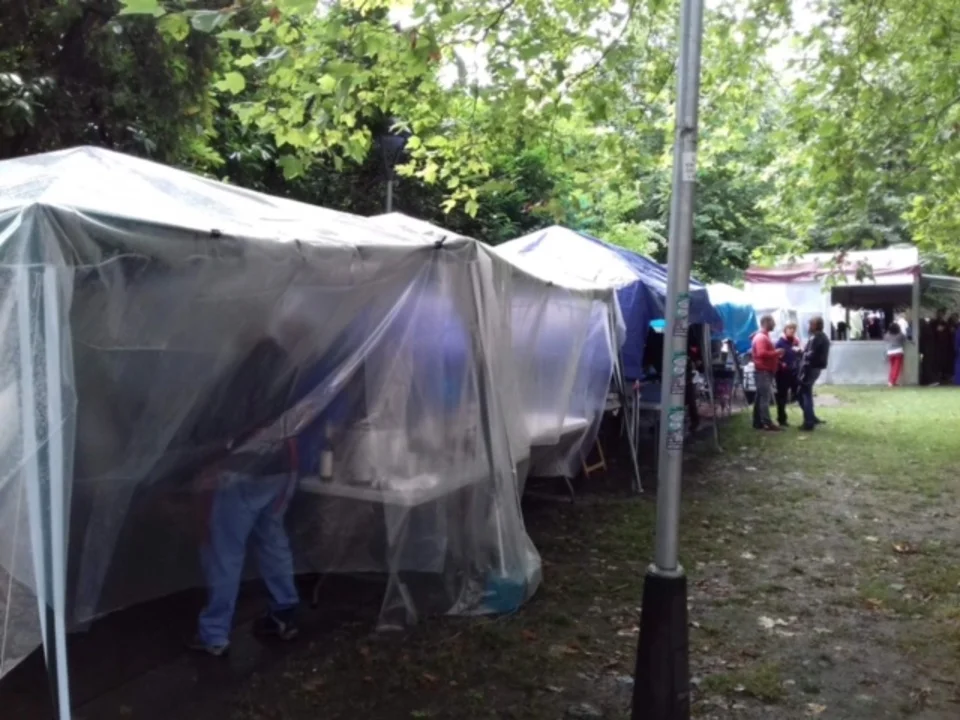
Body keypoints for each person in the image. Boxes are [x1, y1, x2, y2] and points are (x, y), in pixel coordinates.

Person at [188, 334, 303, 657]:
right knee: (272, 540)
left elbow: (217, 427)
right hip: (284, 465)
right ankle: (284, 613)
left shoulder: (240, 378)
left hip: (242, 471)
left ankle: (214, 634)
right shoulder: (287, 371)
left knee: (224, 552)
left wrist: (205, 464)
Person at [750, 315, 784, 432]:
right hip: (763, 371)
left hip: (764, 371)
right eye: (773, 322)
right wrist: (777, 352)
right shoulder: (761, 337)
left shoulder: (763, 336)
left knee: (760, 397)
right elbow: (761, 353)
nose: (774, 324)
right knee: (765, 398)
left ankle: (757, 422)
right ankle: (767, 423)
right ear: (766, 322)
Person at [797, 316, 830, 431]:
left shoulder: (816, 338)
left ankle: (809, 421)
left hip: (811, 368)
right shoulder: (822, 337)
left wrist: (801, 352)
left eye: (811, 324)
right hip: (816, 368)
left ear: (816, 325)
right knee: (805, 393)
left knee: (804, 394)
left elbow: (811, 354)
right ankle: (811, 417)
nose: (809, 326)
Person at [774, 322, 801, 427]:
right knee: (782, 396)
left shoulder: (795, 342)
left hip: (794, 372)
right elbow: (775, 357)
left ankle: (808, 416)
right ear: (785, 330)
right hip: (782, 374)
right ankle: (781, 419)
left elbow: (798, 356)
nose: (792, 330)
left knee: (799, 393)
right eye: (789, 328)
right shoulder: (780, 343)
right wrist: (781, 363)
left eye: (793, 328)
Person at [884, 322, 906, 387]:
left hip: (890, 352)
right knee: (896, 368)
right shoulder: (900, 334)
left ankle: (891, 381)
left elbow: (885, 338)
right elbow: (904, 339)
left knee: (892, 367)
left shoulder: (887, 335)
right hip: (898, 352)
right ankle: (892, 382)